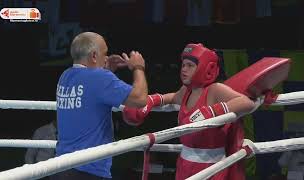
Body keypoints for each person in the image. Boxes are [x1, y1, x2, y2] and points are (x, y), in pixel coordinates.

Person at [122, 43, 257, 180]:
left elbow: (247, 102)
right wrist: (152, 100)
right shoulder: (187, 90)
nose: (184, 70)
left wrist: (211, 111)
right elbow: (173, 97)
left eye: (190, 66)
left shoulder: (214, 90)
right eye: (183, 65)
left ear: (206, 68)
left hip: (212, 166)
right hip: (184, 163)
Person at [53, 31, 148, 180]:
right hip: (89, 170)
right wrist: (138, 68)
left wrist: (106, 70)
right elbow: (140, 99)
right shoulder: (99, 78)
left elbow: (91, 95)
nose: (107, 58)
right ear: (94, 56)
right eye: (105, 53)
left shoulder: (65, 76)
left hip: (61, 167)